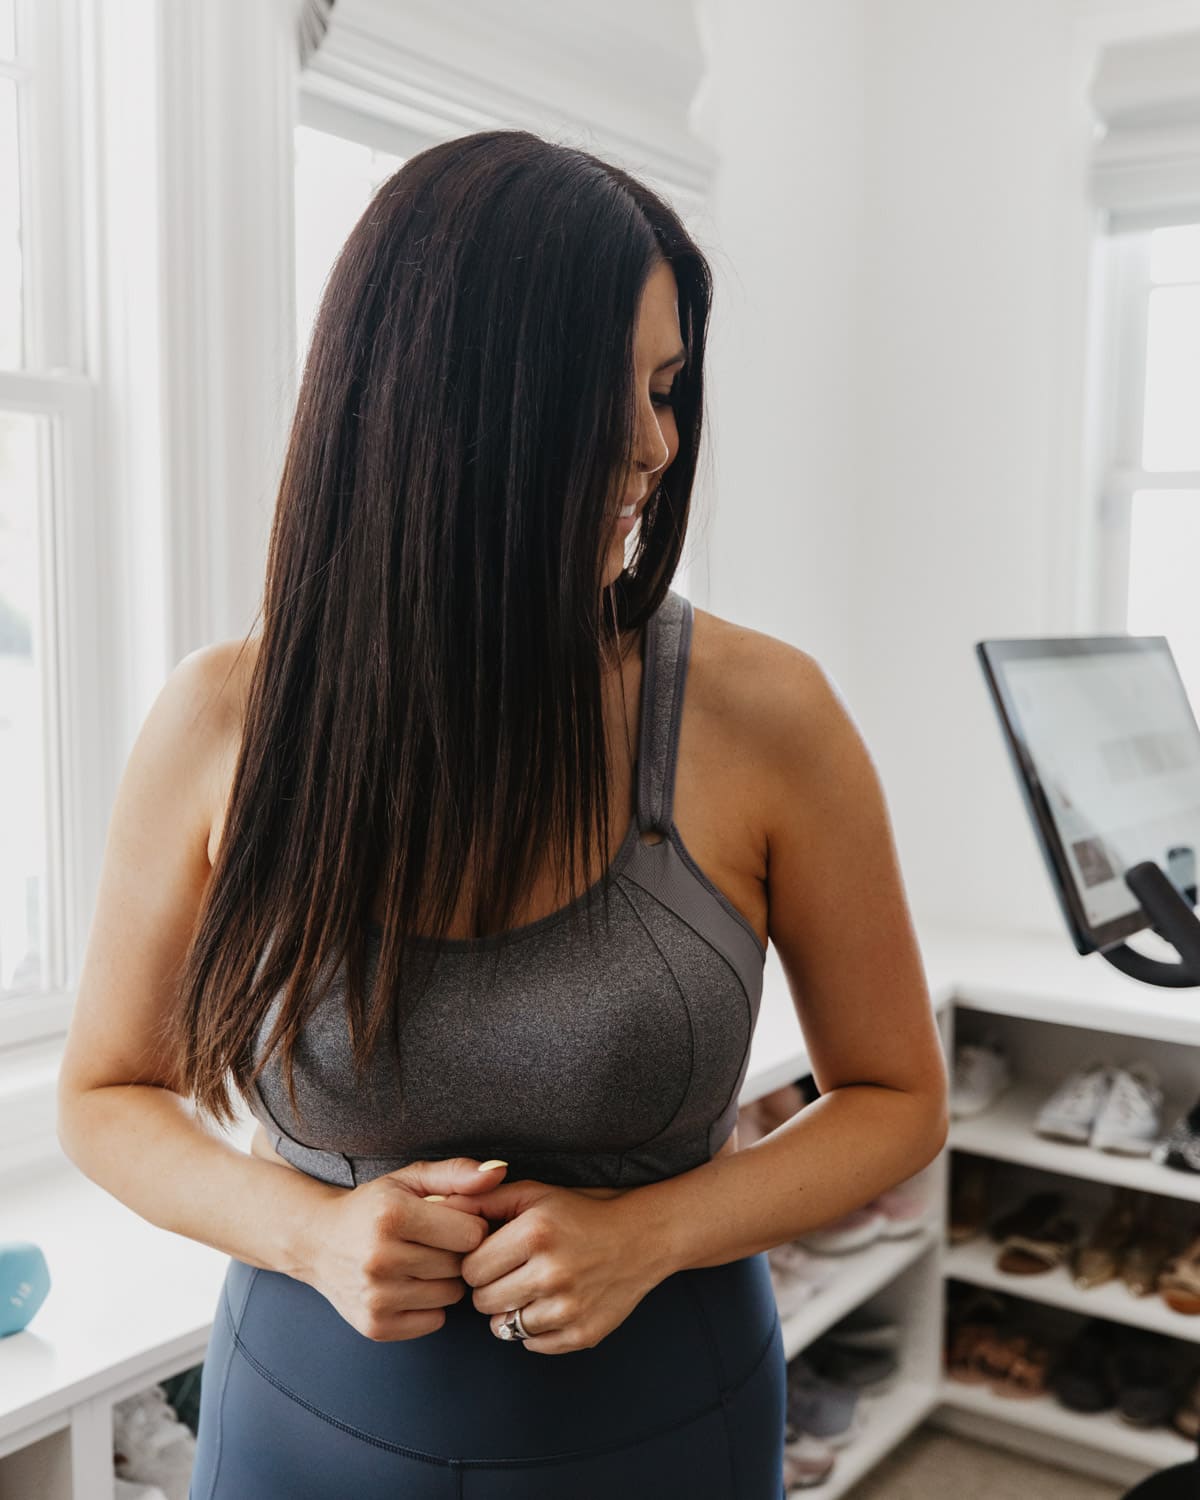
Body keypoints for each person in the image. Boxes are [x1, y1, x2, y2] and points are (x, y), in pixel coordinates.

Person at [56, 129, 948, 1499]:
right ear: (446, 406)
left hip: (666, 1423)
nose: (657, 444)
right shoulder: (222, 719)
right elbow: (108, 1094)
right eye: (616, 393)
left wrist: (652, 1232)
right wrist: (309, 1235)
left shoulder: (766, 715)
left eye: (670, 389)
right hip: (303, 1422)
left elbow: (894, 1098)